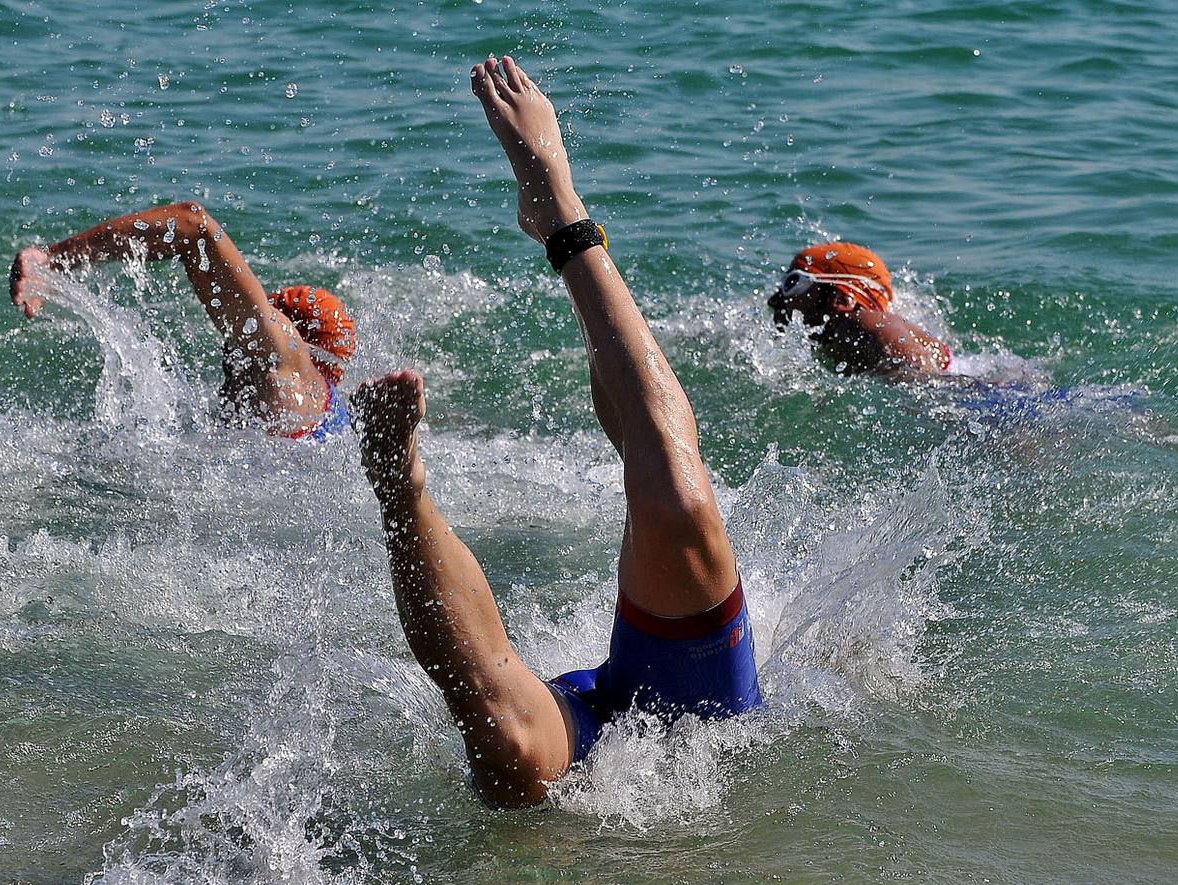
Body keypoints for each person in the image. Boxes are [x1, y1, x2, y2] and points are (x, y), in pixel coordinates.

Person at [354, 56, 762, 808]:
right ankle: (563, 219)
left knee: (505, 748)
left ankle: (398, 491)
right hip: (698, 718)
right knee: (677, 501)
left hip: (580, 736)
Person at [9, 203, 356, 440]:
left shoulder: (281, 359)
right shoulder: (328, 411)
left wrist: (54, 259)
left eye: (270, 311)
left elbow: (193, 225)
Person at [767, 241, 951, 375]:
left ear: (842, 299)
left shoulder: (864, 322)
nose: (774, 300)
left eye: (792, 283)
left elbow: (925, 379)